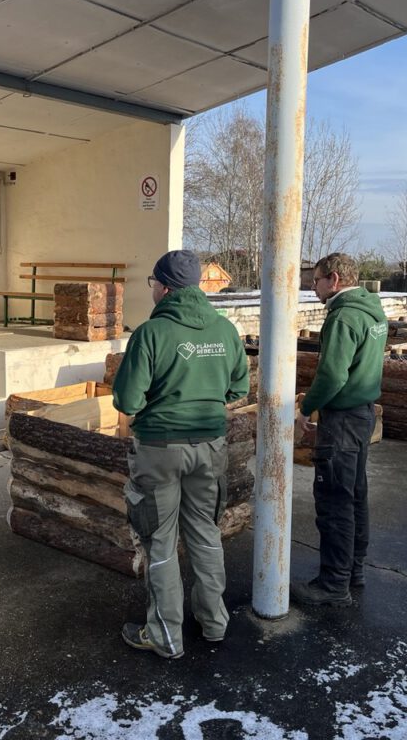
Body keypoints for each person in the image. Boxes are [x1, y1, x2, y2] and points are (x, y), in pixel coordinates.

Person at [112, 249, 249, 659]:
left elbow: (127, 399)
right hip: (210, 447)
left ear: (165, 286)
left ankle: (165, 636)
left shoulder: (151, 334)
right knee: (206, 534)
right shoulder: (225, 331)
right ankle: (213, 623)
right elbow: (238, 389)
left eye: (152, 282)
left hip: (160, 450)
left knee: (160, 542)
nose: (151, 289)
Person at [291, 253, 387, 607]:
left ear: (333, 279)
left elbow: (332, 374)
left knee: (334, 500)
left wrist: (304, 407)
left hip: (342, 420)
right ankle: (353, 570)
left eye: (314, 281)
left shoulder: (343, 317)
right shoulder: (372, 311)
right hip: (362, 414)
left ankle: (333, 584)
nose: (312, 287)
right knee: (355, 493)